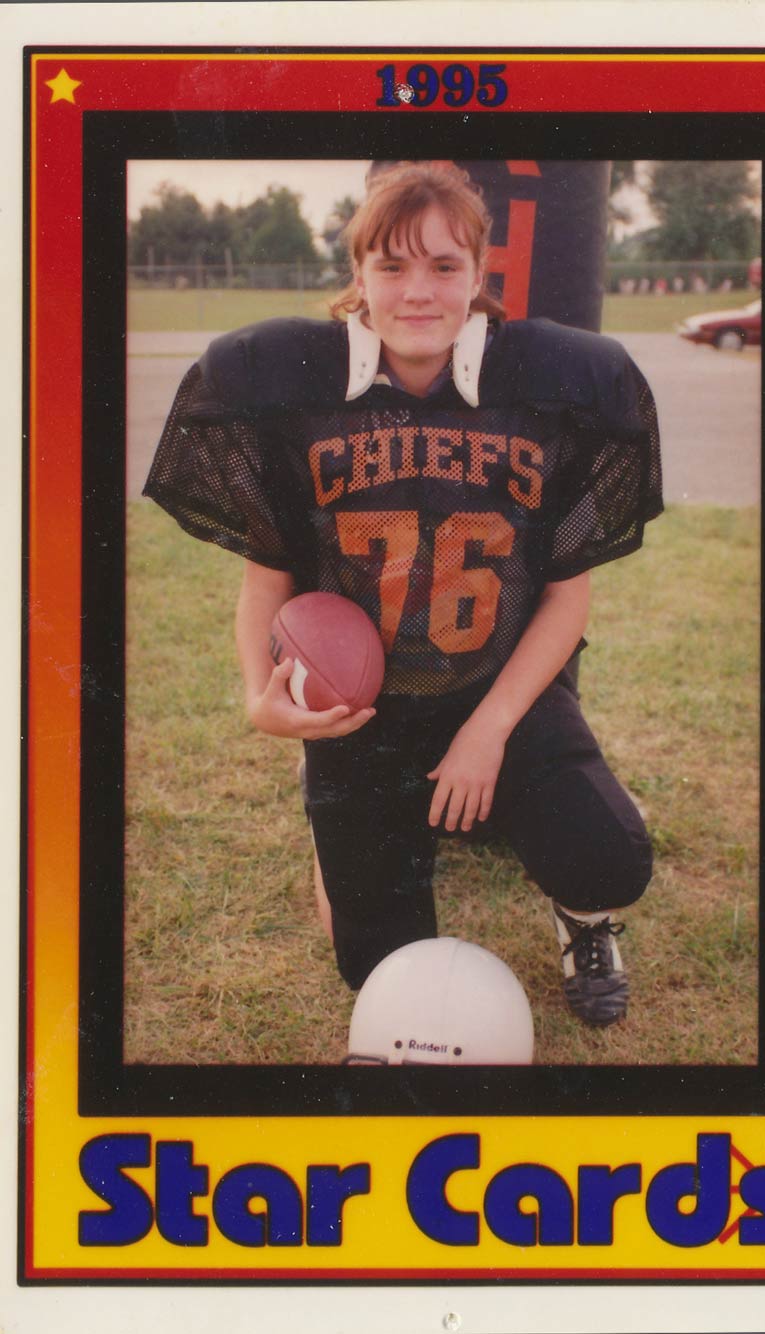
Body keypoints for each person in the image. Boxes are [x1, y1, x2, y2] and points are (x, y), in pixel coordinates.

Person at [143, 161, 663, 1029]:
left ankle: (583, 917)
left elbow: (567, 600)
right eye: (392, 266)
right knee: (376, 969)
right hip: (366, 714)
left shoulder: (547, 391)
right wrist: (257, 697)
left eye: (444, 267)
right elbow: (266, 576)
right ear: (359, 278)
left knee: (609, 857)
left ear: (479, 277)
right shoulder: (292, 391)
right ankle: (338, 818)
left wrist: (488, 733)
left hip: (495, 689)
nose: (418, 291)